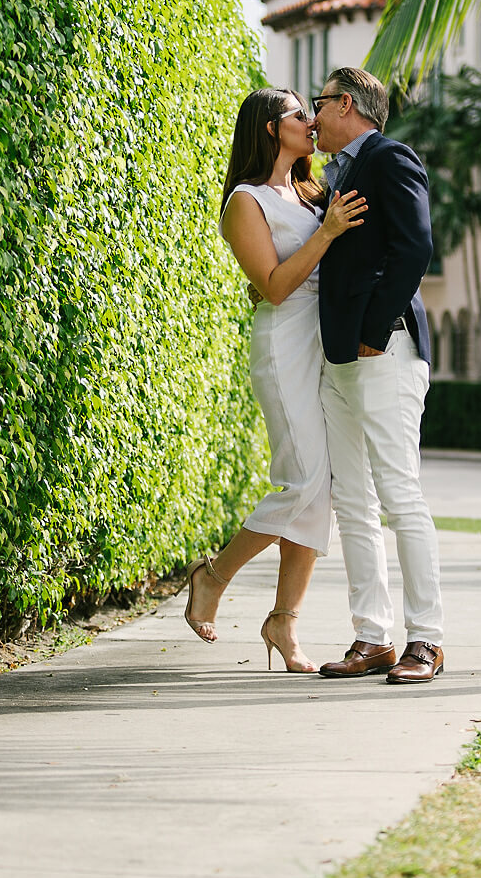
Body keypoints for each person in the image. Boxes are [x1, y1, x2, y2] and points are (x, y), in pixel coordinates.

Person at [183, 87, 366, 673]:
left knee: (324, 485)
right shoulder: (245, 201)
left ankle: (284, 623)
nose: (312, 121)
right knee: (301, 478)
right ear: (268, 127)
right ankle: (213, 576)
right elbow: (274, 285)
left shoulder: (315, 193)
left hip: (327, 344)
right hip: (285, 342)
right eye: (297, 114)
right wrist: (328, 232)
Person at [311, 67, 444, 684]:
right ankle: (373, 638)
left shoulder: (391, 158)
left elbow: (416, 247)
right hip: (339, 359)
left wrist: (372, 330)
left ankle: (427, 640)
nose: (312, 118)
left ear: (345, 104)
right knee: (354, 504)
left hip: (383, 352)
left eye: (319, 105)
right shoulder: (336, 175)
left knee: (400, 497)